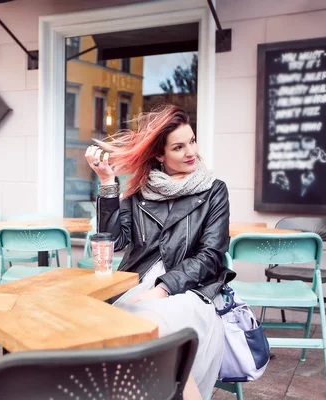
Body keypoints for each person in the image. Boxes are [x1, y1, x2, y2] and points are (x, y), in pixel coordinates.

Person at [85, 104, 235, 399]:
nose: (190, 152)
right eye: (178, 147)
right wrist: (106, 183)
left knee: (150, 328)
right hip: (135, 285)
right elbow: (114, 242)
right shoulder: (137, 191)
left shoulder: (214, 191)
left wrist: (164, 288)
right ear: (159, 154)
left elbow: (210, 256)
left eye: (192, 141)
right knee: (117, 328)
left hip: (190, 289)